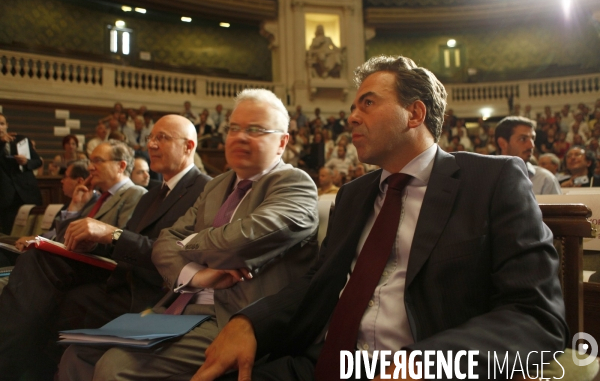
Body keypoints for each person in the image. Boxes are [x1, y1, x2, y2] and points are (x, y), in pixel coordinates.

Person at [193, 55, 568, 381]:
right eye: (354, 106)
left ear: (415, 114)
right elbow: (317, 284)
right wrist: (250, 322)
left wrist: (430, 363)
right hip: (325, 365)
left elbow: (536, 316)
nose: (351, 117)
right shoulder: (354, 195)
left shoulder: (491, 181)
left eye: (368, 103)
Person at [58, 89, 319, 380]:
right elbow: (163, 244)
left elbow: (239, 241)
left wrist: (190, 242)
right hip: (177, 306)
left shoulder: (295, 184)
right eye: (234, 128)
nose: (241, 137)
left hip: (233, 318)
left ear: (282, 142)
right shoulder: (217, 185)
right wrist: (196, 275)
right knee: (78, 354)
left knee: (115, 367)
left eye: (255, 130)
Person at [0, 116, 211, 380]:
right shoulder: (152, 194)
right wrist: (96, 242)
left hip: (152, 295)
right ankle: (14, 363)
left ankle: (11, 363)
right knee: (39, 258)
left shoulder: (205, 189)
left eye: (163, 138)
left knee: (55, 306)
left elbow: (175, 254)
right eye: (151, 138)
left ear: (189, 146)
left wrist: (111, 234)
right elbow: (123, 246)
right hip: (120, 280)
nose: (152, 145)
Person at [0, 112, 43, 234]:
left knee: (33, 229)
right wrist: (1, 143)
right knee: (9, 232)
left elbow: (38, 161)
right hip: (6, 197)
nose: (0, 127)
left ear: (7, 125)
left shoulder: (21, 139)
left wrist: (27, 162)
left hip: (27, 192)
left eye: (2, 124)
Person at [495, 116, 561, 194]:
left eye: (532, 139)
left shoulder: (545, 180)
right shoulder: (485, 178)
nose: (531, 145)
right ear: (503, 143)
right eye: (523, 139)